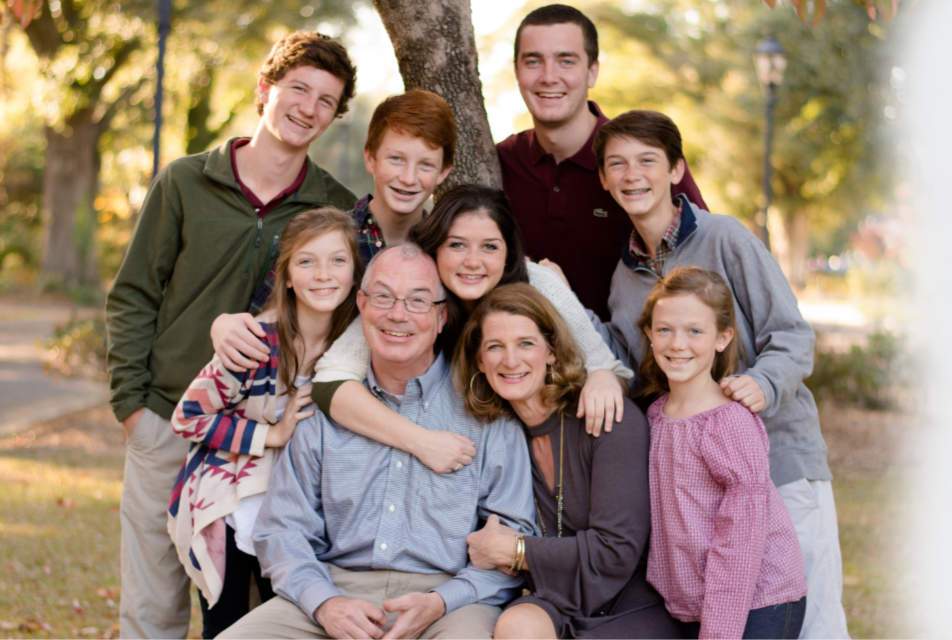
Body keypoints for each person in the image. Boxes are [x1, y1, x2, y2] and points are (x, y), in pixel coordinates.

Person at [107, 31, 359, 639]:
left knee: (243, 609)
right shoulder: (186, 182)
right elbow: (135, 292)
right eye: (298, 88)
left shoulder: (334, 205)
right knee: (153, 605)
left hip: (267, 442)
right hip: (172, 418)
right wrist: (132, 407)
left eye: (326, 100)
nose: (308, 107)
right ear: (264, 90)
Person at [600, 110, 849, 638]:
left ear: (675, 170)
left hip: (781, 460)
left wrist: (763, 382)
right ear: (603, 179)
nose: (631, 175)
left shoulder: (725, 238)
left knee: (815, 624)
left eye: (647, 161)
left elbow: (793, 335)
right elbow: (632, 368)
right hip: (706, 483)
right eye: (616, 164)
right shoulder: (624, 277)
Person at [218, 244, 538, 639]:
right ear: (362, 305)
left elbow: (512, 542)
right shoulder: (324, 412)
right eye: (383, 297)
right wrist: (325, 603)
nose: (397, 314)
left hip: (450, 601)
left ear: (441, 317)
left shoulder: (486, 414)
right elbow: (282, 530)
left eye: (418, 301)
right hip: (335, 591)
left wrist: (440, 601)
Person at [207, 88, 484, 474]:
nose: (408, 178)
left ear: (444, 172)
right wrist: (226, 324)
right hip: (314, 427)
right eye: (395, 159)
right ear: (370, 157)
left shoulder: (447, 251)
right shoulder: (327, 240)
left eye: (424, 165)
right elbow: (269, 320)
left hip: (422, 430)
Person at [297, 185, 635, 483]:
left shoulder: (538, 283)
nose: (473, 262)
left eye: (489, 247)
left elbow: (610, 371)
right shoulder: (417, 289)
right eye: (457, 245)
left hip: (549, 451)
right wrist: (420, 441)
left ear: (508, 253)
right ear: (436, 248)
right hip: (464, 456)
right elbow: (330, 382)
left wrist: (604, 375)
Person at [168, 208, 362, 637]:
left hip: (305, 512)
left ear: (354, 271)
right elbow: (188, 416)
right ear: (287, 276)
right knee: (228, 626)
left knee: (290, 625)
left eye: (337, 260)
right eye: (307, 261)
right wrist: (271, 434)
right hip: (237, 503)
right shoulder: (257, 341)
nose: (323, 274)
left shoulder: (358, 344)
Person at [453, 284, 684, 638]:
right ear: (480, 362)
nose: (510, 360)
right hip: (553, 596)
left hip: (630, 599)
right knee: (517, 627)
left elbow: (615, 551)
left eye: (525, 344)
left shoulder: (606, 417)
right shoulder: (494, 435)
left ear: (551, 351)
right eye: (495, 347)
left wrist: (515, 550)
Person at [499, 3, 707, 320]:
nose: (548, 76)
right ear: (517, 71)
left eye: (566, 61)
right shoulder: (501, 161)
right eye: (533, 61)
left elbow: (703, 258)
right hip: (522, 362)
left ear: (592, 71)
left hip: (634, 360)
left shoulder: (640, 166)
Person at [640, 267, 808, 638]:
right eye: (664, 329)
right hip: (695, 603)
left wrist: (718, 633)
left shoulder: (728, 425)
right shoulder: (656, 415)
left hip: (758, 600)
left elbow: (741, 545)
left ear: (722, 337)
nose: (677, 344)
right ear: (649, 335)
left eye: (695, 331)